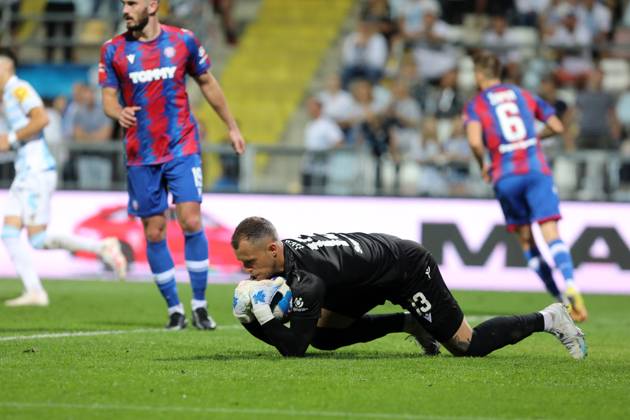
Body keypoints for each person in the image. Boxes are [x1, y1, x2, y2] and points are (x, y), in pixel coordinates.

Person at [230, 216, 587, 359]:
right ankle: (408, 322)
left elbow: (293, 350)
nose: (246, 271)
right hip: (365, 275)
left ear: (274, 249)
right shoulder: (293, 263)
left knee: (466, 346)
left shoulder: (309, 281)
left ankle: (550, 318)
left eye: (249, 262)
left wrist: (255, 319)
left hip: (406, 268)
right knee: (324, 334)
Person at [99, 0, 245, 330]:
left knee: (191, 220)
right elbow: (108, 95)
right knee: (154, 230)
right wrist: (115, 111)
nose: (125, 10)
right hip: (141, 154)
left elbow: (207, 82)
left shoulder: (183, 41)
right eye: (123, 3)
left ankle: (200, 305)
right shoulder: (113, 50)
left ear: (152, 5)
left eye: (132, 3)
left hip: (182, 146)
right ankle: (174, 309)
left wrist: (232, 127)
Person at [463, 51, 588, 322]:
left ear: (478, 75)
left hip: (505, 176)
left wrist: (483, 162)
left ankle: (559, 298)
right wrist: (533, 138)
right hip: (535, 169)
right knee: (550, 231)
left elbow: (474, 142)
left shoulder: (476, 104)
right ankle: (571, 284)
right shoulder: (522, 94)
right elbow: (556, 125)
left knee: (526, 239)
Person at [0, 49, 127, 307]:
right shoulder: (8, 95)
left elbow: (42, 118)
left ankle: (102, 247)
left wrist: (10, 139)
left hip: (35, 171)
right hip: (25, 170)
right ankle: (34, 291)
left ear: (6, 66)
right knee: (10, 232)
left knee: (36, 239)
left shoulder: (19, 89)